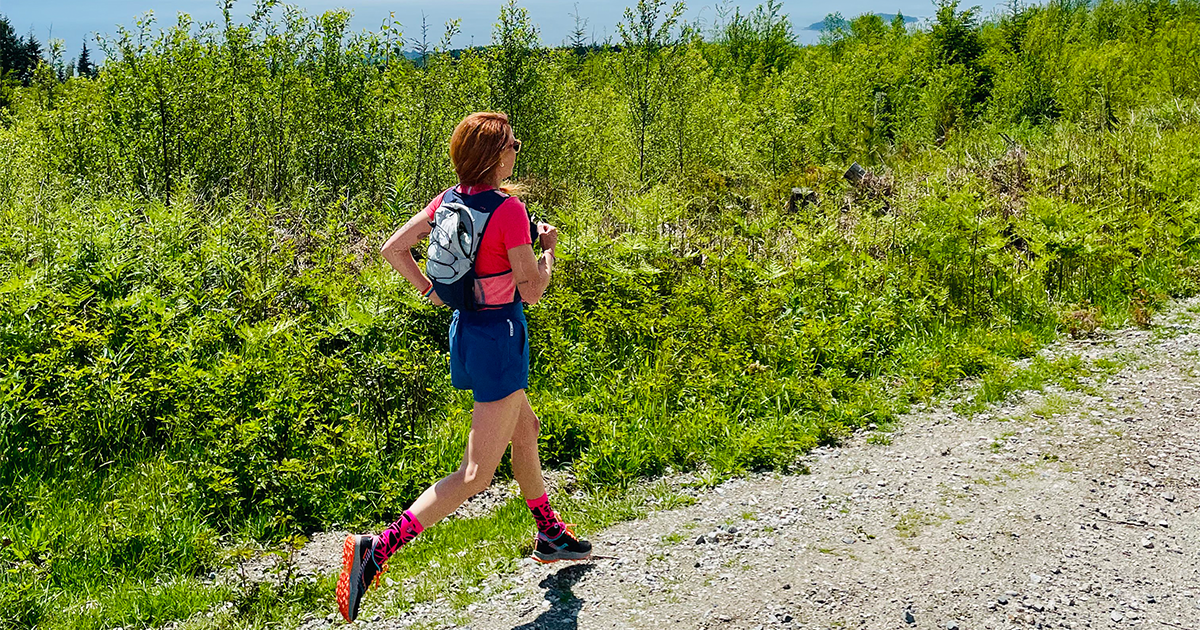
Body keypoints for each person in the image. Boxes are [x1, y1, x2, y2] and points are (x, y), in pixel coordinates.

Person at [336, 112, 591, 623]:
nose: (517, 149)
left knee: (527, 429)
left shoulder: (448, 200)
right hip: (503, 337)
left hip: (467, 333)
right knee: (475, 474)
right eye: (512, 143)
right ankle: (376, 549)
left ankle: (549, 533)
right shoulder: (510, 211)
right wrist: (549, 252)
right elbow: (533, 291)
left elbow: (393, 249)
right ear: (497, 156)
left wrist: (430, 292)